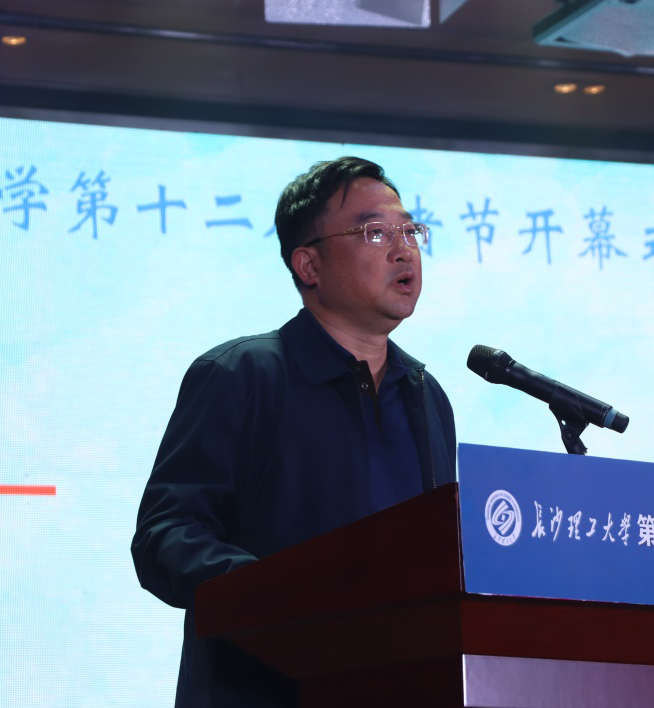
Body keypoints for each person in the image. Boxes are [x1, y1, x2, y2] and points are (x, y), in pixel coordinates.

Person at [131, 157, 457, 707]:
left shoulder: (426, 396)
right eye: (375, 232)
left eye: (410, 231)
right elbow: (166, 536)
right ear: (308, 265)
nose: (404, 250)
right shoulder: (241, 375)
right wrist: (282, 593)